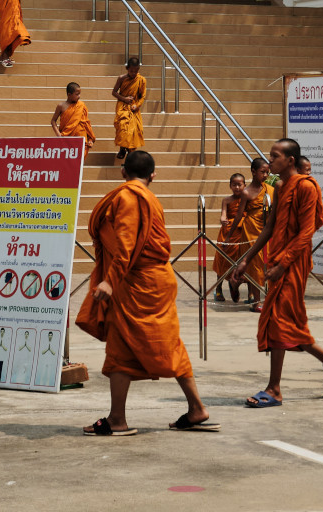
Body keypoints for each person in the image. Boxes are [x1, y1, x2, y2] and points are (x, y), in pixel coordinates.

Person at [77, 150, 218, 435]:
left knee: (133, 345)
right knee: (148, 345)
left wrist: (109, 281)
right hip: (151, 281)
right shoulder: (149, 198)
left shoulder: (128, 198)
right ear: (153, 175)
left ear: (122, 172)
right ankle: (194, 409)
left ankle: (118, 420)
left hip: (138, 282)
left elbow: (127, 245)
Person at [230, 139, 323, 407]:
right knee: (282, 321)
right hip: (278, 260)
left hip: (293, 262)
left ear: (290, 160)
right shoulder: (281, 187)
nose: (270, 161)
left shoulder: (306, 187)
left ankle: (275, 389)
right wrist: (247, 259)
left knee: (280, 321)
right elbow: (269, 226)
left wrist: (283, 263)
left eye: (275, 156)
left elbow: (307, 231)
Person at [234, 160, 269, 309]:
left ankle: (260, 297)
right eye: (263, 172)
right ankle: (257, 302)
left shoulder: (269, 190)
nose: (266, 175)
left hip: (266, 229)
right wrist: (230, 234)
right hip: (251, 230)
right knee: (254, 266)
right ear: (253, 172)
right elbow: (239, 214)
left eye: (268, 172)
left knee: (265, 265)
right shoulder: (246, 192)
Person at [213, 173, 246, 304]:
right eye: (234, 185)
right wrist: (222, 219)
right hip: (227, 233)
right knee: (222, 260)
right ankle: (218, 288)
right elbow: (223, 214)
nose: (237, 187)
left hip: (242, 232)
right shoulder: (226, 200)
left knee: (241, 260)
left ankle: (235, 285)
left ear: (245, 185)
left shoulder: (247, 199)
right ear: (230, 186)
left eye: (240, 184)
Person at [111, 57, 147, 160]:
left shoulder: (141, 80)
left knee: (134, 130)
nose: (133, 73)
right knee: (123, 128)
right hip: (122, 106)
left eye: (136, 71)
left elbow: (142, 96)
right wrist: (124, 99)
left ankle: (131, 153)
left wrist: (138, 105)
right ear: (127, 68)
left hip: (134, 107)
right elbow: (114, 92)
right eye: (131, 71)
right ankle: (122, 148)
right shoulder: (121, 78)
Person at [50, 82, 97, 150]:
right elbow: (53, 121)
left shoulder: (81, 105)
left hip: (81, 137)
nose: (79, 96)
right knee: (68, 158)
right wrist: (58, 135)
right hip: (67, 137)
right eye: (77, 94)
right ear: (69, 95)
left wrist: (90, 139)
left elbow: (86, 123)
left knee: (80, 158)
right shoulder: (61, 106)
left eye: (80, 94)